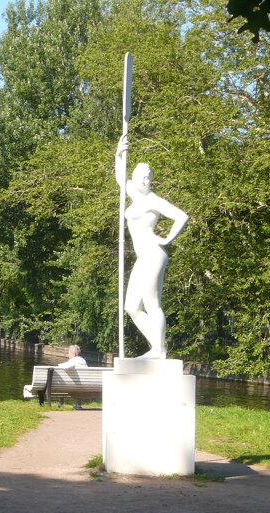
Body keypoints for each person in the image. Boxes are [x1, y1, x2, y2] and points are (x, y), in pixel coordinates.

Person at [116, 134, 189, 359]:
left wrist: (167, 239)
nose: (144, 181)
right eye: (141, 177)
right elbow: (120, 177)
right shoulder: (136, 196)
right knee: (131, 307)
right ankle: (158, 347)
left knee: (151, 303)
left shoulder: (154, 200)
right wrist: (119, 153)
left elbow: (182, 216)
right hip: (142, 257)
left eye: (148, 178)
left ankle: (158, 349)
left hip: (153, 254)